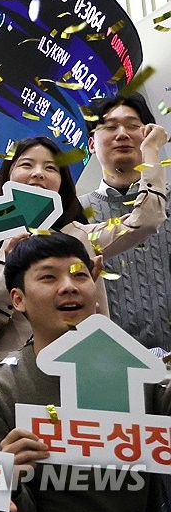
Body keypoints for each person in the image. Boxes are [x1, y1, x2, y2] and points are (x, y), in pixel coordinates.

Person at [0, 232, 171, 512]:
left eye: (79, 275)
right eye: (48, 277)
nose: (69, 287)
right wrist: (8, 485)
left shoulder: (142, 372)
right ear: (18, 299)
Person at [0, 133, 166, 364]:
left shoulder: (80, 236)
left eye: (51, 168)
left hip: (84, 369)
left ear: (61, 183)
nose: (38, 173)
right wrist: (9, 278)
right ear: (7, 175)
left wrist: (150, 151)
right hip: (14, 378)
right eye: (26, 165)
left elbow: (146, 220)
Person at [80, 93, 171, 351]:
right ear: (92, 144)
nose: (122, 134)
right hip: (111, 361)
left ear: (149, 134)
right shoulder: (75, 213)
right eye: (110, 127)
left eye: (133, 125)